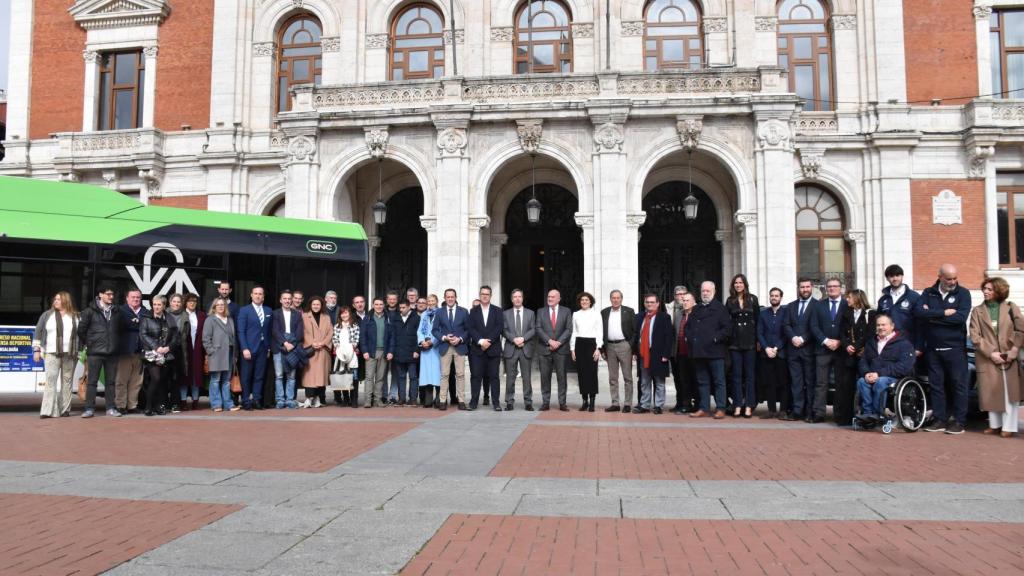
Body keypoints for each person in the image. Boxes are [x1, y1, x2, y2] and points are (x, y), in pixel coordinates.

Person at [917, 264, 972, 434]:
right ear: (940, 276)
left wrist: (932, 315)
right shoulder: (928, 293)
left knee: (958, 385)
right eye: (949, 278)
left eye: (955, 278)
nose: (953, 281)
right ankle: (939, 419)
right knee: (936, 385)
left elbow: (960, 318)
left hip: (955, 349)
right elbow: (919, 313)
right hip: (933, 349)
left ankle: (958, 420)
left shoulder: (963, 293)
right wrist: (943, 313)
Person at [969, 277, 1024, 437]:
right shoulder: (977, 311)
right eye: (984, 289)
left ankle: (1009, 426)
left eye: (989, 289)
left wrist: (1013, 350)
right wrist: (991, 352)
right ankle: (995, 425)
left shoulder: (1010, 307)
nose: (985, 292)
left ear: (998, 291)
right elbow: (974, 335)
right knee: (991, 391)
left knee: (1009, 392)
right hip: (988, 357)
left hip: (1009, 356)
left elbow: (1021, 329)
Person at [856, 313, 915, 423]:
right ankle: (868, 414)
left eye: (884, 325)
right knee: (862, 381)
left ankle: (877, 413)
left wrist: (879, 374)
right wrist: (866, 373)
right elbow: (863, 361)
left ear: (892, 326)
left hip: (894, 378)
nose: (880, 327)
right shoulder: (871, 342)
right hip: (873, 375)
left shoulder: (903, 344)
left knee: (881, 381)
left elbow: (904, 366)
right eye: (878, 325)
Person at [687, 281, 731, 419]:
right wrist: (690, 337)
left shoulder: (720, 308)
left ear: (714, 291)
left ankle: (721, 408)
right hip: (699, 352)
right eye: (703, 291)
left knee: (719, 381)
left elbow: (727, 329)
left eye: (707, 291)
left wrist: (715, 339)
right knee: (702, 381)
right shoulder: (696, 309)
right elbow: (689, 327)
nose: (705, 293)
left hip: (715, 351)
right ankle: (704, 408)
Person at [33, 291, 79, 419]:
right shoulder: (47, 315)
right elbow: (38, 331)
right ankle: (48, 410)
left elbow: (80, 335)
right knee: (50, 381)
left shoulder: (75, 316)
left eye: (58, 299)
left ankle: (65, 409)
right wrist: (36, 350)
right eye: (55, 299)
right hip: (51, 352)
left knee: (67, 381)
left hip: (70, 354)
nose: (55, 301)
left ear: (66, 301)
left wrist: (81, 352)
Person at [77, 285, 121, 418]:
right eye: (108, 294)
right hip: (94, 352)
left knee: (111, 382)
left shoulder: (117, 311)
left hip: (112, 352)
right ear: (100, 295)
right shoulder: (89, 311)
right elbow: (81, 331)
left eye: (112, 294)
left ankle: (110, 408)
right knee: (92, 381)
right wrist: (90, 343)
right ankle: (89, 408)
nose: (111, 297)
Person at [809, 278, 847, 423]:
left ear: (840, 288)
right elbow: (814, 326)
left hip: (840, 350)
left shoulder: (846, 304)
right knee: (821, 383)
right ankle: (819, 413)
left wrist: (840, 342)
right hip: (822, 349)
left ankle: (839, 413)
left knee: (840, 383)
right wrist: (825, 341)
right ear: (826, 289)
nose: (832, 289)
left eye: (835, 286)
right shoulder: (819, 305)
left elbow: (849, 326)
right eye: (829, 286)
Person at [836, 289, 875, 426]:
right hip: (848, 355)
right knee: (847, 386)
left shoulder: (870, 314)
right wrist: (847, 345)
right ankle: (846, 418)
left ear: (858, 298)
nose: (847, 300)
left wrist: (856, 346)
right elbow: (841, 332)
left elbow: (870, 334)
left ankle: (867, 416)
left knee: (865, 385)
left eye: (850, 297)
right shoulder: (846, 313)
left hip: (864, 355)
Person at [782, 278, 819, 422]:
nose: (805, 289)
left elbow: (815, 327)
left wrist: (803, 338)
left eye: (807, 287)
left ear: (812, 288)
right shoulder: (791, 306)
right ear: (798, 288)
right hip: (793, 350)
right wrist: (793, 338)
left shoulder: (818, 306)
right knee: (796, 383)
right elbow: (786, 325)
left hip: (809, 349)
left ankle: (809, 412)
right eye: (802, 287)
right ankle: (797, 411)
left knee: (810, 383)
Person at [140, 295, 180, 417]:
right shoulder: (146, 317)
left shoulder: (170, 318)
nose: (156, 307)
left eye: (159, 305)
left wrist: (168, 348)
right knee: (155, 378)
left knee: (162, 381)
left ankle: (159, 406)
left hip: (166, 354)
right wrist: (157, 347)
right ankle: (148, 407)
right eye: (155, 304)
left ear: (164, 306)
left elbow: (175, 336)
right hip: (151, 353)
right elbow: (143, 335)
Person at [726, 274, 760, 418]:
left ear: (745, 284)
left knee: (750, 376)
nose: (738, 285)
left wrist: (758, 341)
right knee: (736, 376)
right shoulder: (729, 300)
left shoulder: (752, 299)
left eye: (740, 282)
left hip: (750, 342)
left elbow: (758, 321)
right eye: (736, 283)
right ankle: (738, 404)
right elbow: (727, 322)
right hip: (735, 343)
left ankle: (749, 406)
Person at [634, 293, 674, 414]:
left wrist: (666, 354)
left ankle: (658, 406)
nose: (649, 304)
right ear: (644, 303)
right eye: (647, 302)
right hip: (643, 354)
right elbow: (637, 336)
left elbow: (669, 337)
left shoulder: (664, 317)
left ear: (657, 304)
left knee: (659, 382)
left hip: (658, 354)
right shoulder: (640, 317)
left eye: (652, 302)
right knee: (644, 381)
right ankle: (645, 405)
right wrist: (636, 352)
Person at [467, 286, 504, 411]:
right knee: (476, 376)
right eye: (482, 294)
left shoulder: (498, 311)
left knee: (494, 377)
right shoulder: (473, 311)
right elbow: (471, 328)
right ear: (479, 294)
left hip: (493, 349)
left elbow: (499, 327)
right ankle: (473, 402)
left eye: (487, 294)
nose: (484, 296)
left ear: (491, 295)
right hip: (477, 350)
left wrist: (488, 341)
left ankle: (496, 403)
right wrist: (481, 341)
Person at [535, 289, 573, 411]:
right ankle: (545, 402)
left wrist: (558, 342)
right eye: (548, 296)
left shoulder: (566, 311)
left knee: (562, 377)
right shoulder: (541, 311)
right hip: (544, 349)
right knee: (545, 377)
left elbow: (568, 329)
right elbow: (538, 328)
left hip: (561, 350)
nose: (550, 299)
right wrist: (550, 341)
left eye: (552, 297)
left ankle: (562, 403)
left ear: (558, 299)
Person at [432, 289, 469, 410]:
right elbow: (435, 330)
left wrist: (460, 339)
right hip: (445, 346)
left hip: (459, 347)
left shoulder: (463, 312)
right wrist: (444, 337)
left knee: (460, 374)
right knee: (444, 375)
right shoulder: (439, 312)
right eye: (448, 297)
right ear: (444, 298)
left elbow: (468, 330)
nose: (450, 299)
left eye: (452, 297)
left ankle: (461, 400)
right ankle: (442, 400)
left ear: (456, 297)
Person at [237, 286, 272, 411]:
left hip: (263, 349)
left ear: (263, 296)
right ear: (251, 295)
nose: (258, 296)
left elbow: (268, 332)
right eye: (255, 293)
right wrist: (244, 348)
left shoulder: (268, 310)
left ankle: (257, 400)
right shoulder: (244, 310)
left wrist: (268, 348)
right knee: (246, 376)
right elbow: (241, 331)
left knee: (259, 376)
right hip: (249, 349)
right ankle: (246, 401)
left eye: (260, 294)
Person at [601, 290, 636, 413]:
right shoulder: (604, 312)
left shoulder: (629, 311)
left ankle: (627, 403)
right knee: (613, 378)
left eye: (618, 298)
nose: (615, 300)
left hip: (624, 345)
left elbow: (634, 330)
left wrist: (630, 345)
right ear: (610, 299)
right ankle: (615, 403)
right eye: (613, 298)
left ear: (621, 299)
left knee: (628, 377)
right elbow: (601, 332)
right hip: (610, 347)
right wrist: (602, 349)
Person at [757, 287, 789, 419]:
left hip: (780, 353)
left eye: (776, 296)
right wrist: (766, 348)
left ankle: (783, 410)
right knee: (769, 383)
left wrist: (776, 348)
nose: (774, 298)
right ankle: (771, 410)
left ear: (781, 297)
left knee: (783, 383)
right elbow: (759, 332)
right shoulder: (763, 313)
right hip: (766, 354)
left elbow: (786, 333)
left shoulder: (786, 313)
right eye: (772, 295)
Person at [116, 288, 149, 414]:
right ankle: (120, 405)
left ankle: (132, 405)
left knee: (136, 381)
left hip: (140, 351)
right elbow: (119, 327)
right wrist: (136, 324)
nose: (136, 299)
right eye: (133, 297)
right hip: (124, 350)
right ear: (127, 298)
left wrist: (134, 324)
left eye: (138, 297)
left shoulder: (146, 312)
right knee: (121, 380)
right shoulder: (120, 311)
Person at [877, 264, 922, 356]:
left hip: (908, 343)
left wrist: (919, 346)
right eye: (891, 276)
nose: (895, 279)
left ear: (902, 276)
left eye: (897, 275)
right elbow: (878, 322)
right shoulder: (883, 300)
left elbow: (920, 323)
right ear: (887, 278)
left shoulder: (914, 297)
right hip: (888, 344)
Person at [503, 289, 535, 411]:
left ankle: (528, 402)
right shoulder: (505, 314)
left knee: (526, 377)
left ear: (522, 298)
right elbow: (504, 330)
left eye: (519, 296)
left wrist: (523, 338)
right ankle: (509, 402)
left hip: (525, 348)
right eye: (515, 297)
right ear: (512, 299)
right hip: (511, 348)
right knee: (510, 377)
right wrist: (513, 339)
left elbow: (533, 329)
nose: (517, 299)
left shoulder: (530, 313)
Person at [203, 297, 237, 412]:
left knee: (227, 380)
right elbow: (206, 339)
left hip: (229, 353)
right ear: (214, 307)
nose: (221, 307)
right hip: (216, 354)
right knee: (215, 380)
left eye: (223, 305)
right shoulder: (210, 320)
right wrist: (211, 351)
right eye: (218, 305)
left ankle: (228, 404)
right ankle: (216, 404)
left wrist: (235, 354)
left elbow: (233, 337)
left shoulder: (230, 319)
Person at [271, 290, 304, 409]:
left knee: (291, 376)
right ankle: (280, 400)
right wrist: (284, 342)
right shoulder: (275, 314)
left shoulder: (297, 314)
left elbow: (299, 332)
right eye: (284, 298)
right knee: (279, 375)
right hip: (279, 348)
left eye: (289, 299)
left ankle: (290, 399)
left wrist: (291, 344)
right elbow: (275, 331)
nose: (287, 301)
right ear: (280, 300)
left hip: (293, 348)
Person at [360, 297, 395, 408]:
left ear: (384, 305)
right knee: (369, 377)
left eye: (381, 304)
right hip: (370, 352)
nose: (379, 306)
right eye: (376, 304)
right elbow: (363, 337)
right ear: (373, 305)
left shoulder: (388, 318)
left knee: (380, 378)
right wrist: (364, 351)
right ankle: (367, 401)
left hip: (383, 352)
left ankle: (378, 400)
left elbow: (392, 337)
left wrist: (390, 351)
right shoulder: (368, 318)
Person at [571, 291, 602, 412]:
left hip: (591, 344)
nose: (584, 302)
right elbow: (574, 332)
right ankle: (585, 401)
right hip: (579, 344)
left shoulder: (596, 314)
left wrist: (598, 348)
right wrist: (572, 349)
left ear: (591, 302)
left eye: (587, 300)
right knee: (582, 373)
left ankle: (592, 401)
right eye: (582, 300)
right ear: (580, 302)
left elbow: (599, 331)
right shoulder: (575, 314)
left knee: (592, 373)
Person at [300, 295, 333, 408]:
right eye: (314, 304)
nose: (316, 306)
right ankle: (309, 398)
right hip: (310, 350)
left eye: (318, 304)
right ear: (310, 305)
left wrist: (323, 343)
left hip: (323, 351)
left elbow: (330, 332)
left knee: (321, 377)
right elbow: (302, 332)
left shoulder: (326, 317)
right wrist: (311, 343)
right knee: (310, 377)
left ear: (321, 305)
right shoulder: (304, 316)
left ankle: (318, 398)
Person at [670, 292, 698, 414]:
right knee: (684, 380)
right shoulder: (678, 314)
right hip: (680, 353)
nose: (685, 302)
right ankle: (686, 405)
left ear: (693, 302)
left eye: (687, 300)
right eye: (684, 300)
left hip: (695, 354)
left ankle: (698, 404)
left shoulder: (697, 315)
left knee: (696, 380)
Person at [179, 293, 206, 411]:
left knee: (196, 376)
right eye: (190, 301)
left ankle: (195, 401)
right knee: (184, 376)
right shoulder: (181, 314)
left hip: (197, 349)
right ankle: (183, 401)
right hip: (184, 349)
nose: (192, 303)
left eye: (194, 301)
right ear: (185, 302)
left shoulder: (201, 315)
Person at [391, 301, 421, 405]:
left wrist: (417, 350)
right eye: (400, 307)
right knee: (401, 377)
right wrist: (393, 351)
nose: (401, 309)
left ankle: (413, 399)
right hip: (399, 352)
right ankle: (402, 398)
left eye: (403, 307)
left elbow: (419, 335)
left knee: (413, 377)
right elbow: (393, 336)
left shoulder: (416, 318)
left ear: (409, 307)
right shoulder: (395, 318)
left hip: (412, 353)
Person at [332, 306, 361, 407]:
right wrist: (339, 350)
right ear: (340, 315)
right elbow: (335, 340)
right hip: (340, 355)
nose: (344, 315)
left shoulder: (355, 326)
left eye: (346, 313)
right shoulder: (336, 326)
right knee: (342, 377)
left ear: (349, 314)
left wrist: (350, 349)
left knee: (354, 377)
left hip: (352, 355)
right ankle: (346, 399)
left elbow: (356, 341)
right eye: (342, 313)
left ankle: (354, 400)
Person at [417, 295, 442, 408]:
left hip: (436, 348)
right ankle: (428, 399)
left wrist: (432, 342)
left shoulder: (441, 313)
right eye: (429, 301)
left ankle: (439, 399)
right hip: (426, 349)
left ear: (437, 302)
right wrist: (422, 341)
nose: (431, 302)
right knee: (427, 375)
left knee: (437, 374)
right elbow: (419, 331)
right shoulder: (424, 314)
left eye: (433, 301)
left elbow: (442, 330)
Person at [165, 293, 185, 413]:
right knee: (162, 378)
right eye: (174, 301)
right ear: (170, 302)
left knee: (175, 378)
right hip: (164, 350)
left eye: (178, 302)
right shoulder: (164, 314)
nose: (176, 304)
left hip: (179, 351)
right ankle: (163, 402)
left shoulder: (185, 316)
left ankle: (175, 404)